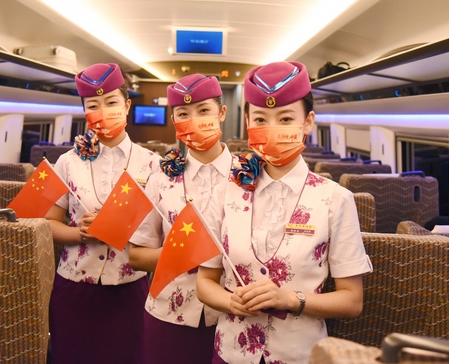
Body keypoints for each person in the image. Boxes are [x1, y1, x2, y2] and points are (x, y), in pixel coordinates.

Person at [196, 61, 373, 364]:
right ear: (247, 122)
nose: (273, 129)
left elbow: (352, 301)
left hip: (300, 355)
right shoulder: (224, 192)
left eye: (286, 118)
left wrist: (291, 299)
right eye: (260, 119)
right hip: (231, 352)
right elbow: (205, 282)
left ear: (308, 122)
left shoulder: (335, 199)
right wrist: (231, 301)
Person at [46, 63, 161, 364]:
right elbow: (48, 224)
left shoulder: (152, 164)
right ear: (84, 111)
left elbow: (162, 234)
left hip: (128, 290)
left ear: (127, 106)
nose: (104, 111)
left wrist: (117, 227)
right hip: (74, 289)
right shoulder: (67, 162)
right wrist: (81, 233)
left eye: (111, 102)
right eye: (93, 105)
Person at [128, 74, 232, 364]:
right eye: (184, 114)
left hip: (233, 318)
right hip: (168, 314)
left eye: (204, 110)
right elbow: (136, 256)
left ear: (222, 113)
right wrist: (181, 254)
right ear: (174, 120)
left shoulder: (250, 179)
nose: (194, 120)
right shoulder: (160, 181)